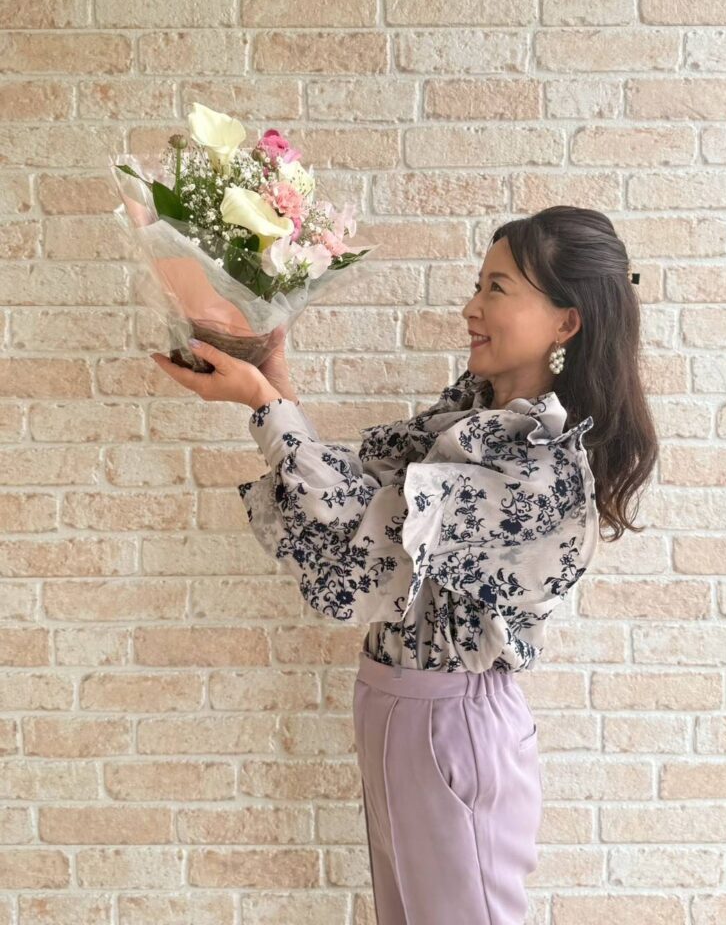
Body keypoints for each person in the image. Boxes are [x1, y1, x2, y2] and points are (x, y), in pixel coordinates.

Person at [151, 205, 658, 925]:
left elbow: (369, 531)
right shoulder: (467, 419)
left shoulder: (541, 468)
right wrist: (275, 389)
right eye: (478, 285)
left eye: (496, 289)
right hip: (397, 706)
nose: (471, 308)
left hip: (454, 725)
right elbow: (364, 489)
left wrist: (266, 404)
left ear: (565, 322)